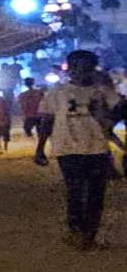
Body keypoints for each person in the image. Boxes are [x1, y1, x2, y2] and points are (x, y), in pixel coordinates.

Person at [38, 50, 124, 251]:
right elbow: (47, 120)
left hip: (97, 148)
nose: (82, 71)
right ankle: (76, 230)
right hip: (67, 148)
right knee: (75, 190)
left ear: (93, 69)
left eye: (87, 67)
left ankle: (89, 234)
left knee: (96, 193)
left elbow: (118, 111)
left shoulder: (103, 92)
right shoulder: (57, 92)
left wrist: (106, 117)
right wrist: (40, 148)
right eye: (77, 67)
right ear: (70, 69)